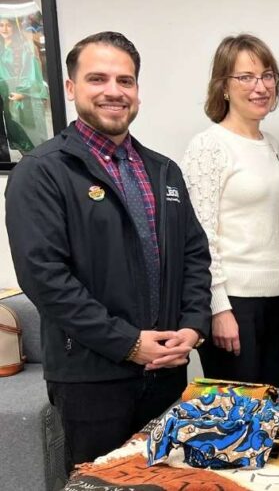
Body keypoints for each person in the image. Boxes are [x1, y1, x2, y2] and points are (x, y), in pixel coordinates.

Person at [5, 32, 211, 470]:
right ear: (70, 87)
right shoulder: (41, 173)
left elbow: (194, 254)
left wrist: (193, 326)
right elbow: (45, 278)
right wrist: (129, 343)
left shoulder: (164, 170)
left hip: (166, 372)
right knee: (102, 484)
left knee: (168, 481)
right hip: (91, 380)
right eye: (98, 78)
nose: (114, 91)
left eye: (126, 80)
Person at [181, 34, 279, 387]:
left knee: (266, 408)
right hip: (233, 302)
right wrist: (218, 308)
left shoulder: (270, 144)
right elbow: (199, 235)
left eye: (267, 75)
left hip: (275, 297)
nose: (260, 87)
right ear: (223, 87)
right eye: (245, 77)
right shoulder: (209, 146)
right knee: (235, 422)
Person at [0, 16, 49, 151]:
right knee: (19, 141)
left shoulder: (24, 48)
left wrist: (23, 93)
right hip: (7, 101)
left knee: (32, 142)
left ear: (14, 28)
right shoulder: (2, 48)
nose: (4, 29)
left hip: (23, 100)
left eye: (8, 25)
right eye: (1, 25)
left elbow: (33, 74)